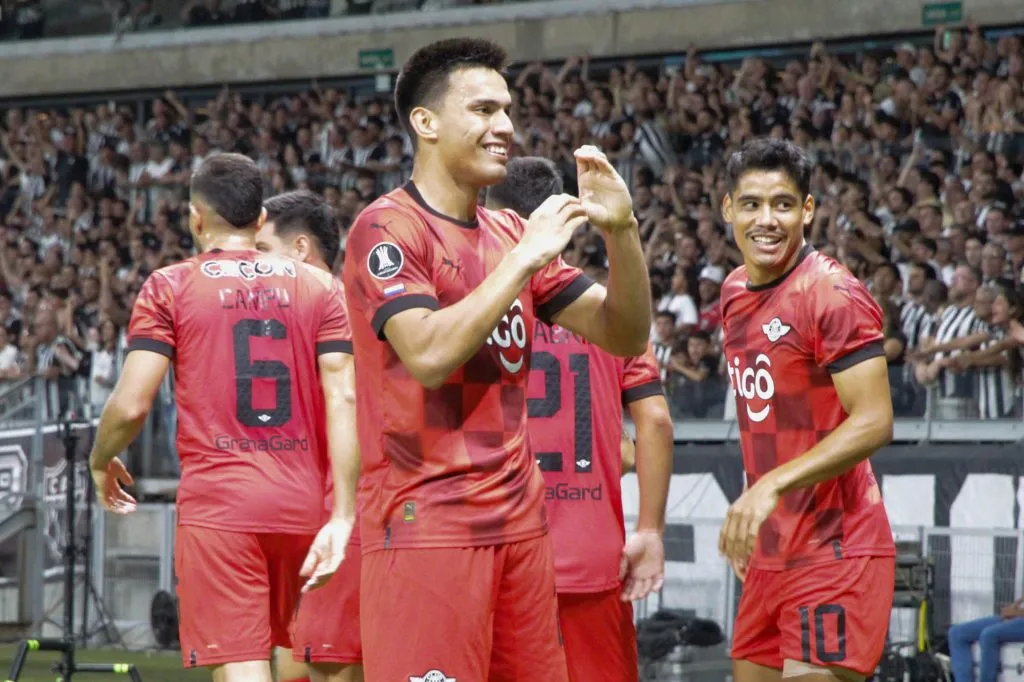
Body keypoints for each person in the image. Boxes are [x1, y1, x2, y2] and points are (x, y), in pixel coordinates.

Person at [341, 37, 651, 682]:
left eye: (506, 110)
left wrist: (622, 234)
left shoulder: (510, 233)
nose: (504, 126)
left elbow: (623, 332)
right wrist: (523, 261)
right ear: (425, 123)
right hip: (428, 523)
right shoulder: (386, 227)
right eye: (482, 110)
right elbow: (427, 354)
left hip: (520, 524)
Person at [87, 154, 359, 682]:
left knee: (243, 665)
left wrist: (101, 458)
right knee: (304, 664)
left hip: (222, 507)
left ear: (195, 217)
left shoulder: (170, 286)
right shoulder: (322, 289)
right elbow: (343, 400)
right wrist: (343, 513)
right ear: (260, 220)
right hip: (301, 508)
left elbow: (131, 403)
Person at [485, 156, 674, 682]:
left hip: (499, 549)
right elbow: (655, 420)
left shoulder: (470, 306)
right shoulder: (615, 312)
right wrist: (650, 530)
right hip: (593, 555)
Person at [717, 138, 896, 682]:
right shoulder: (731, 291)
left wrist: (771, 486)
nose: (766, 219)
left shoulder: (832, 293)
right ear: (728, 209)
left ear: (808, 209)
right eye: (751, 203)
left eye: (783, 204)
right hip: (769, 556)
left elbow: (875, 419)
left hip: (834, 549)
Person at [255, 190, 364, 682]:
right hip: (302, 507)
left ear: (300, 250)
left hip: (347, 510)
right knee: (294, 658)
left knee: (328, 660)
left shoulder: (351, 311)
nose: (250, 266)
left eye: (261, 251)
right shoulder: (293, 316)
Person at [947, 598, 1024, 682]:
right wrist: (1014, 606)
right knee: (956, 633)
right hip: (1016, 616)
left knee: (988, 635)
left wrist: (1017, 613)